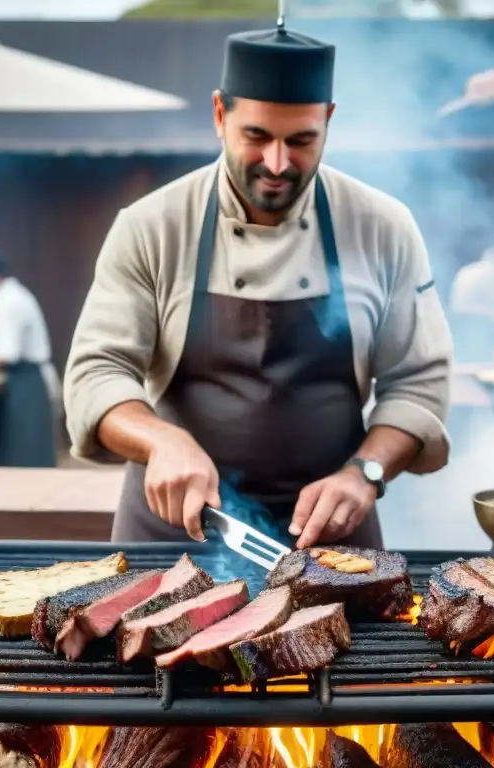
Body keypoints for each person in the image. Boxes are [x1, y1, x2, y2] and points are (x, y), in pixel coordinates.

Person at [64, 24, 453, 550]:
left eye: (301, 140)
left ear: (328, 121)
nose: (277, 163)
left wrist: (365, 473)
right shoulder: (152, 226)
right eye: (256, 137)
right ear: (220, 115)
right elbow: (96, 374)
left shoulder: (382, 226)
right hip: (176, 529)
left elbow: (418, 384)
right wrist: (160, 439)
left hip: (330, 541)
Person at [0, 248, 59, 468]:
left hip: (27, 379)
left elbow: (7, 352)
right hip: (23, 378)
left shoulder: (10, 301)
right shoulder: (9, 295)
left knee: (26, 452)